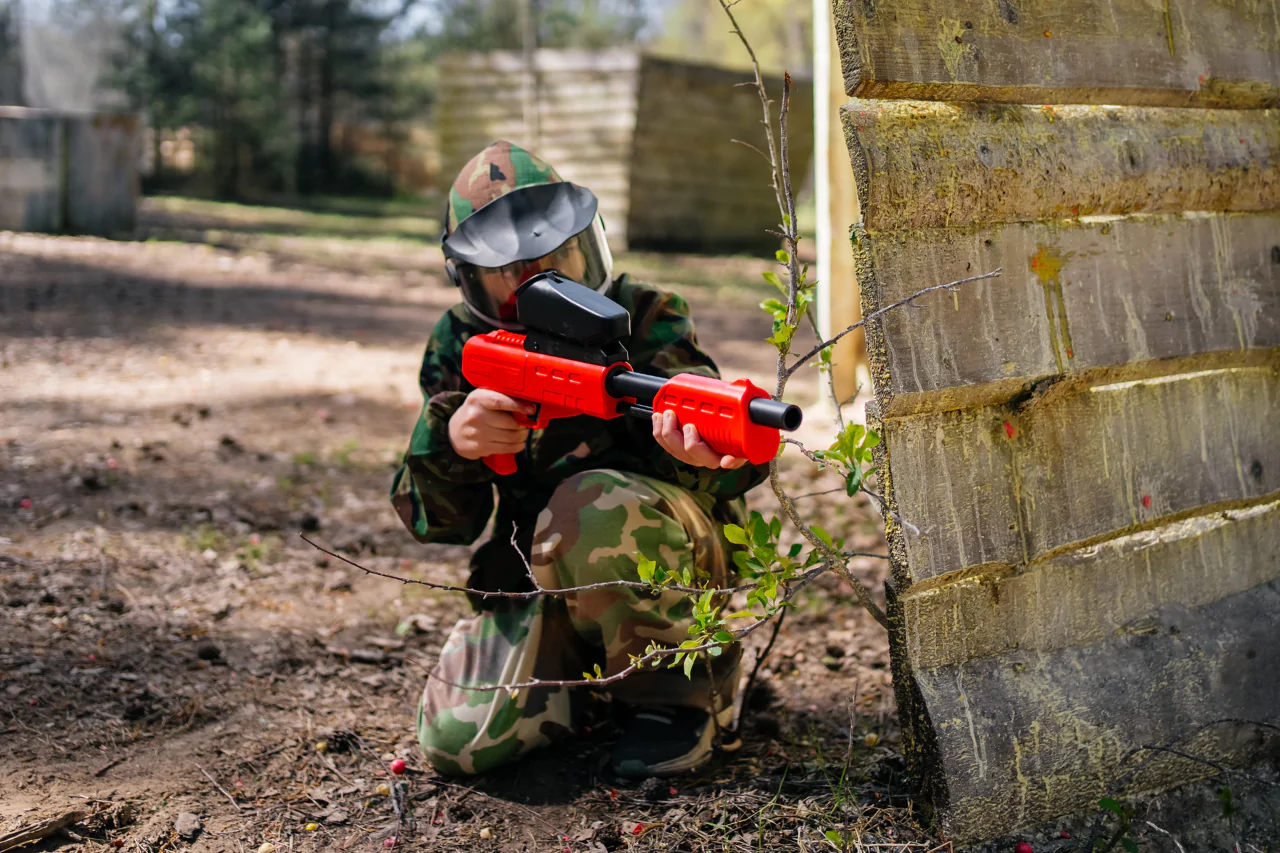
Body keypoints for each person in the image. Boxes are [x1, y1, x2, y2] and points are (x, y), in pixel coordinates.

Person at [390, 140, 769, 779]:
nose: (542, 283)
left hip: (665, 557)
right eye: (512, 272)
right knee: (459, 744)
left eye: (558, 256)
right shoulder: (458, 340)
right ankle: (584, 680)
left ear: (586, 244)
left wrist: (694, 452)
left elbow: (737, 457)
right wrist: (456, 441)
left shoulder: (646, 313)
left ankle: (678, 695)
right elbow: (438, 522)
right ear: (472, 279)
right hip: (535, 577)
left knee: (593, 503)